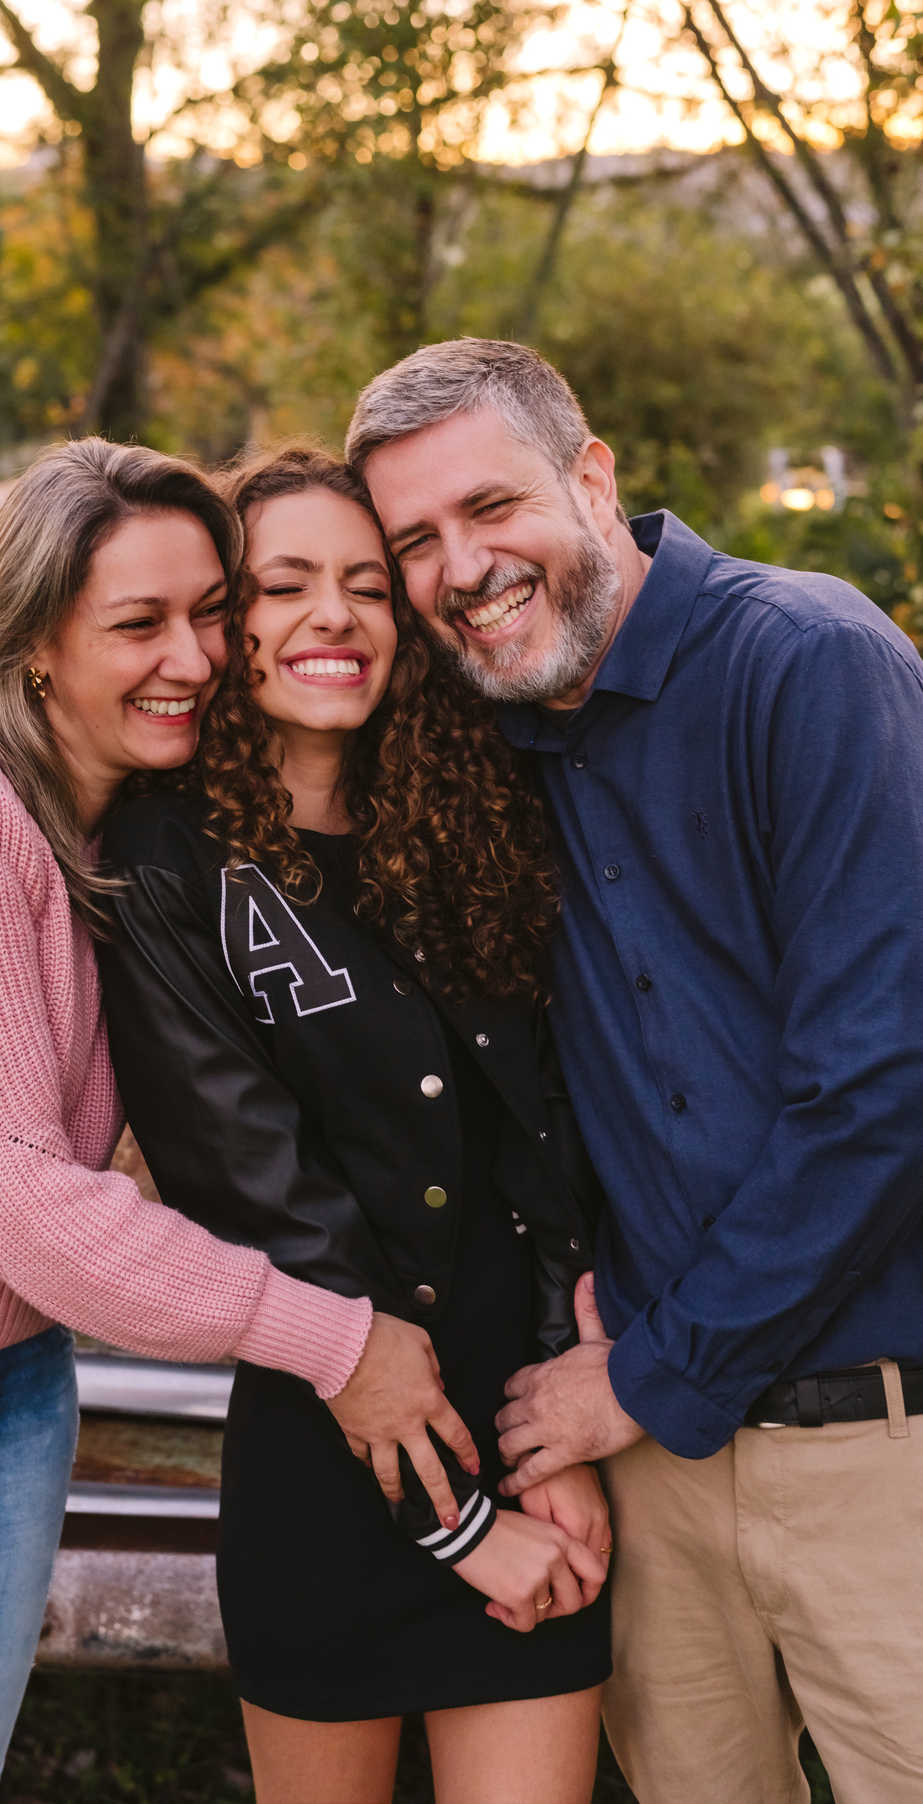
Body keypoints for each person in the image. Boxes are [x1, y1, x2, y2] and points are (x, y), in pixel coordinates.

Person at [0, 439, 475, 1804]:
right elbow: (22, 1196)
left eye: (206, 611)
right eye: (138, 624)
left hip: (5, 1391)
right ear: (33, 651)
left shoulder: (132, 833)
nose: (189, 657)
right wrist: (342, 1341)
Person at [345, 337, 923, 1803]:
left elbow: (878, 1087)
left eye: (491, 508)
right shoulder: (479, 745)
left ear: (592, 478)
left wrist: (651, 1379)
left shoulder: (810, 663)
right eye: (414, 541)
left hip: (878, 1450)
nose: (460, 567)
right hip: (649, 1468)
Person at [96, 446, 611, 1804]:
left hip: (521, 1431)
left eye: (367, 585)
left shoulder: (474, 824)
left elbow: (548, 1149)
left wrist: (562, 1432)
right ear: (229, 627)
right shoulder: (162, 866)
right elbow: (258, 1193)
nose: (334, 615)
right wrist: (452, 1530)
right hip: (336, 1463)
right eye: (285, 584)